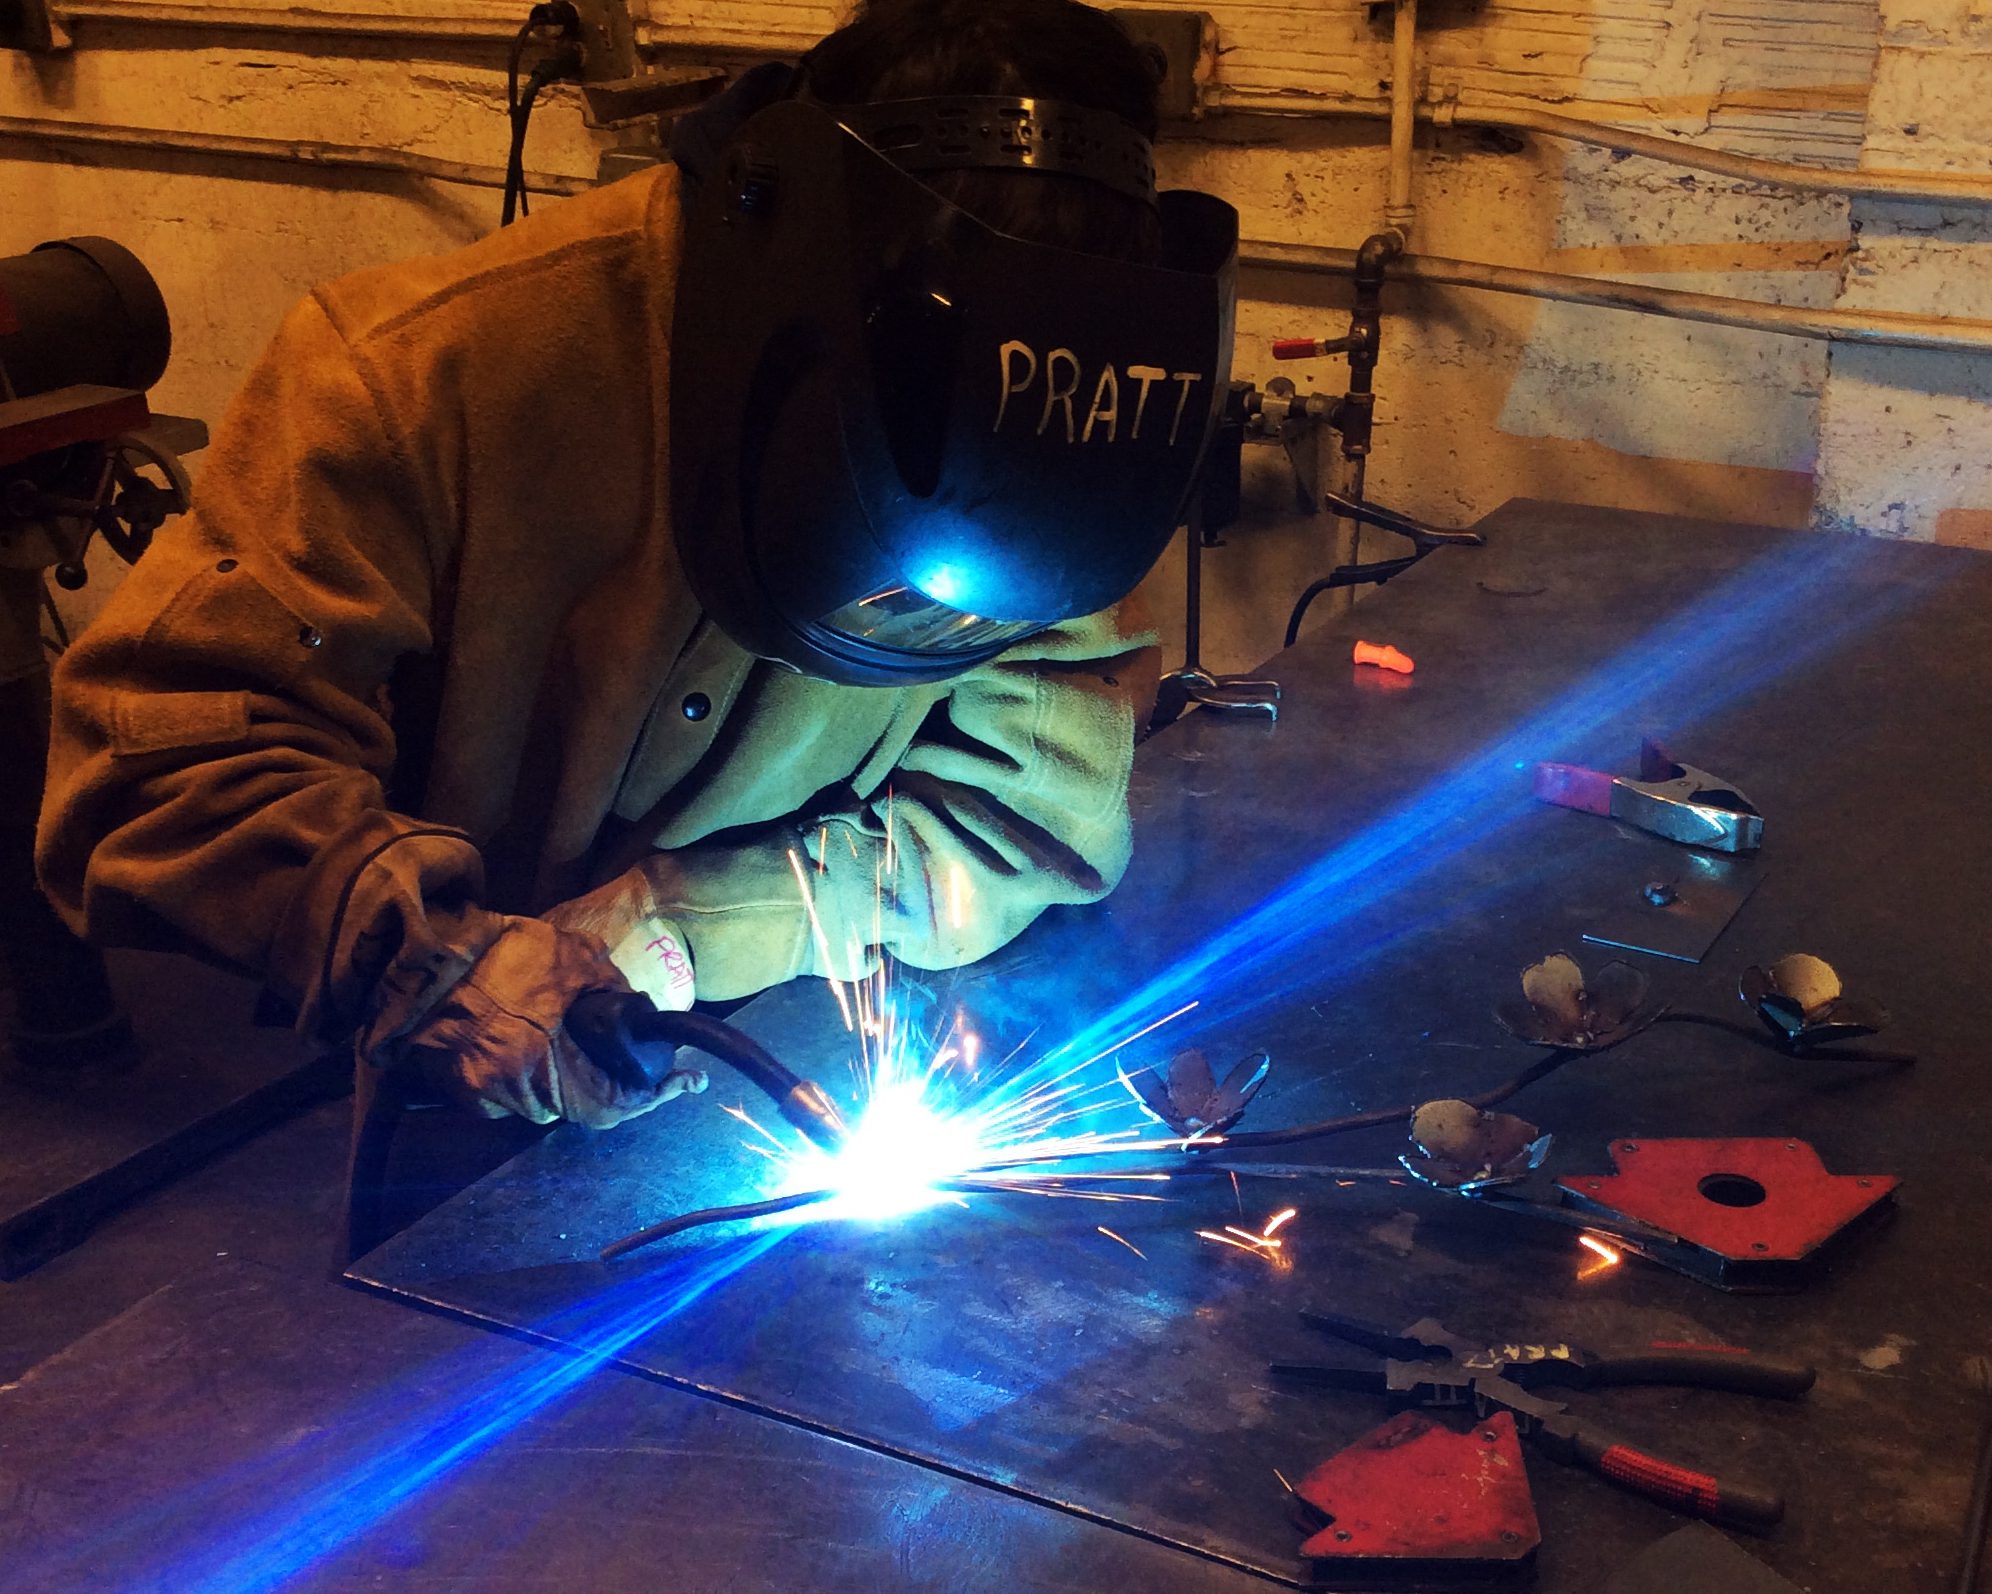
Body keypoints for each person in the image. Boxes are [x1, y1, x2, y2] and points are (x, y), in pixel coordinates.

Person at [36, 0, 1238, 1130]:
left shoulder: (1054, 419)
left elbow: (1034, 812)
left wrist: (693, 919)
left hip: (790, 1036)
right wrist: (433, 963)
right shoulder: (419, 372)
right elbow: (153, 764)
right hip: (457, 1081)